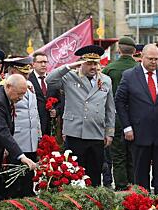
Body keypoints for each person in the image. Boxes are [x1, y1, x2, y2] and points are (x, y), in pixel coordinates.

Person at [115, 44, 158, 193]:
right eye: (150, 59)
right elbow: (119, 101)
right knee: (140, 170)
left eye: (157, 59)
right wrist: (127, 127)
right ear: (142, 57)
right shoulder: (129, 75)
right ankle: (142, 199)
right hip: (139, 131)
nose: (154, 62)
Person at [47, 45, 115, 186]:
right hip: (75, 132)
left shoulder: (106, 80)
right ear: (81, 63)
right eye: (89, 63)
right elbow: (50, 80)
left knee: (95, 173)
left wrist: (109, 132)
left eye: (95, 63)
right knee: (75, 173)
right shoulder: (70, 77)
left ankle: (94, 201)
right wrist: (69, 66)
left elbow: (110, 108)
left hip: (96, 132)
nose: (93, 67)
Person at [102, 37, 138, 190]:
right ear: (135, 51)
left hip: (116, 117)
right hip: (136, 117)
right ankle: (134, 185)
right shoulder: (139, 68)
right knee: (134, 155)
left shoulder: (109, 69)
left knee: (118, 155)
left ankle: (121, 185)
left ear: (118, 50)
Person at [3, 57, 40, 198]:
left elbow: (34, 112)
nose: (27, 77)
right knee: (14, 177)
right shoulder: (5, 87)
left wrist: (38, 135)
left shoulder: (29, 85)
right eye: (23, 74)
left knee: (28, 175)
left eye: (27, 74)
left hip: (31, 138)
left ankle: (28, 200)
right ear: (13, 71)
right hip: (16, 138)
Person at [28, 52, 63, 136]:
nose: (43, 65)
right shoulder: (28, 79)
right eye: (40, 62)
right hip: (33, 124)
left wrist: (56, 111)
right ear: (33, 64)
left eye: (45, 62)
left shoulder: (53, 79)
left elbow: (60, 100)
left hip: (50, 124)